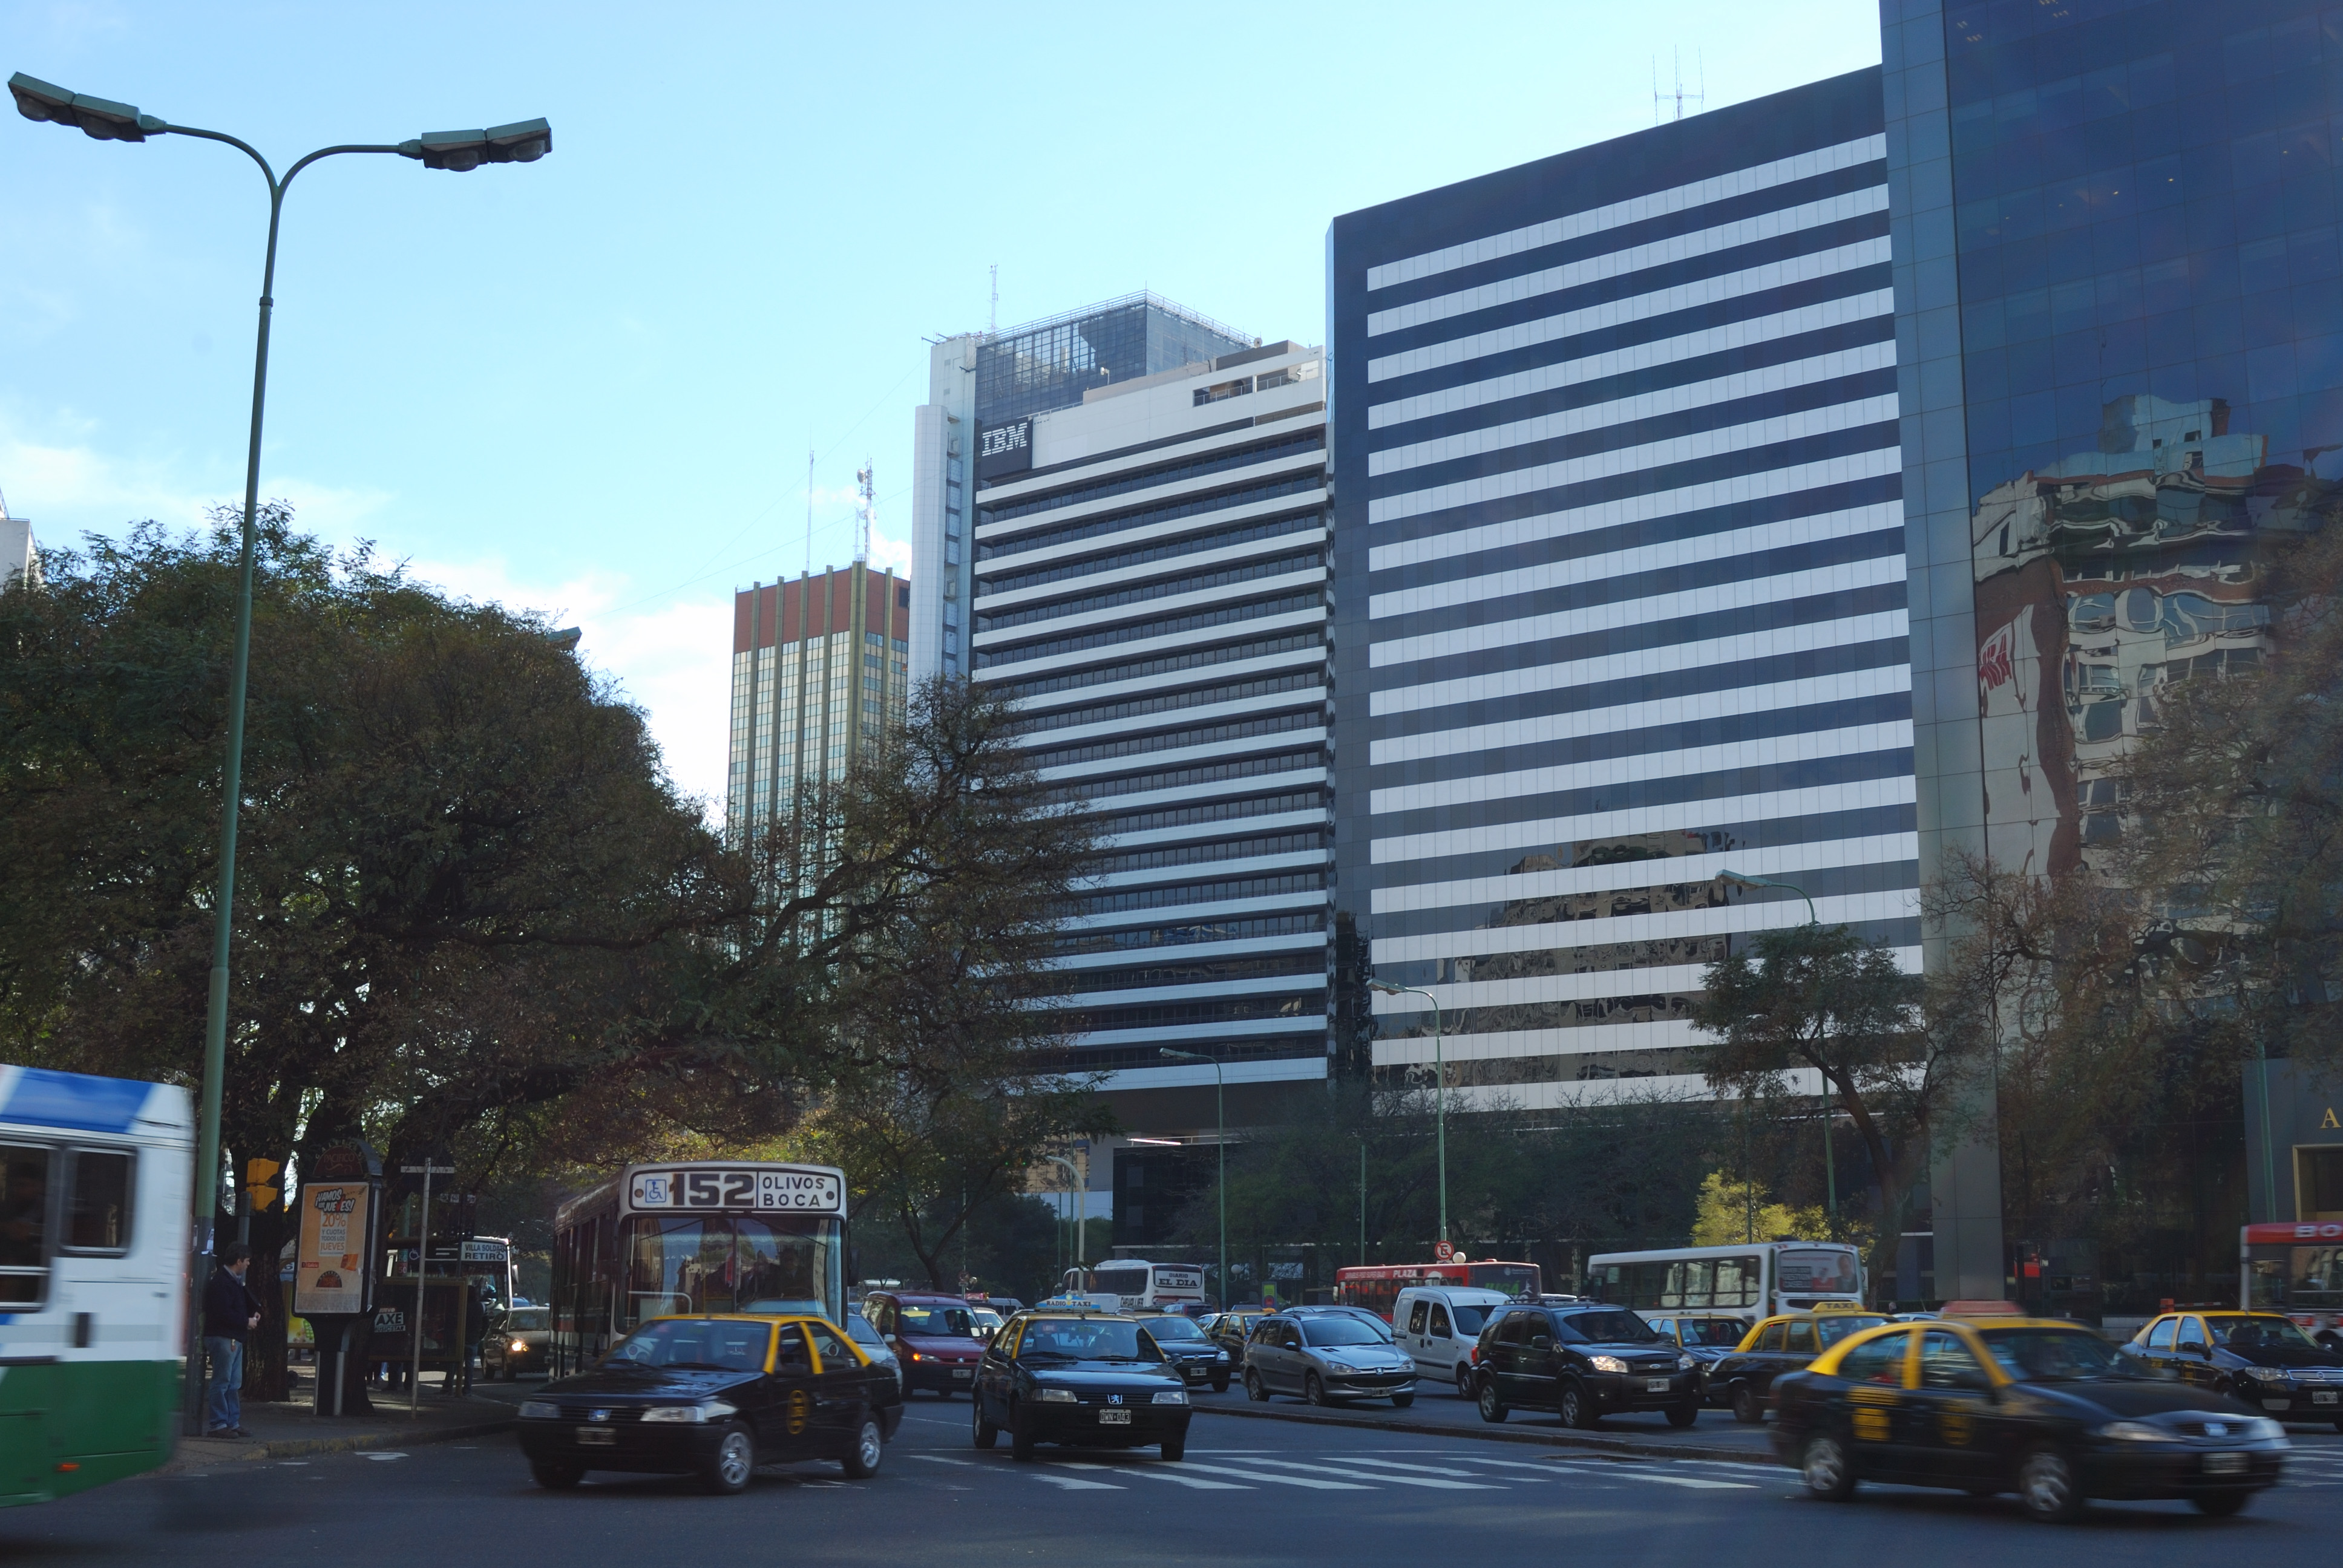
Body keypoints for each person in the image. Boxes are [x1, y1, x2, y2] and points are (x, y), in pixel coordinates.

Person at [202, 1246, 262, 1438]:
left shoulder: (229, 1281)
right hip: (224, 1337)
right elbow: (223, 1313)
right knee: (223, 1382)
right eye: (247, 1261)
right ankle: (220, 1423)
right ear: (239, 1261)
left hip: (231, 1337)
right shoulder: (223, 1283)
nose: (248, 1264)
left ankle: (229, 1422)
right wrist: (247, 1321)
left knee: (232, 1383)